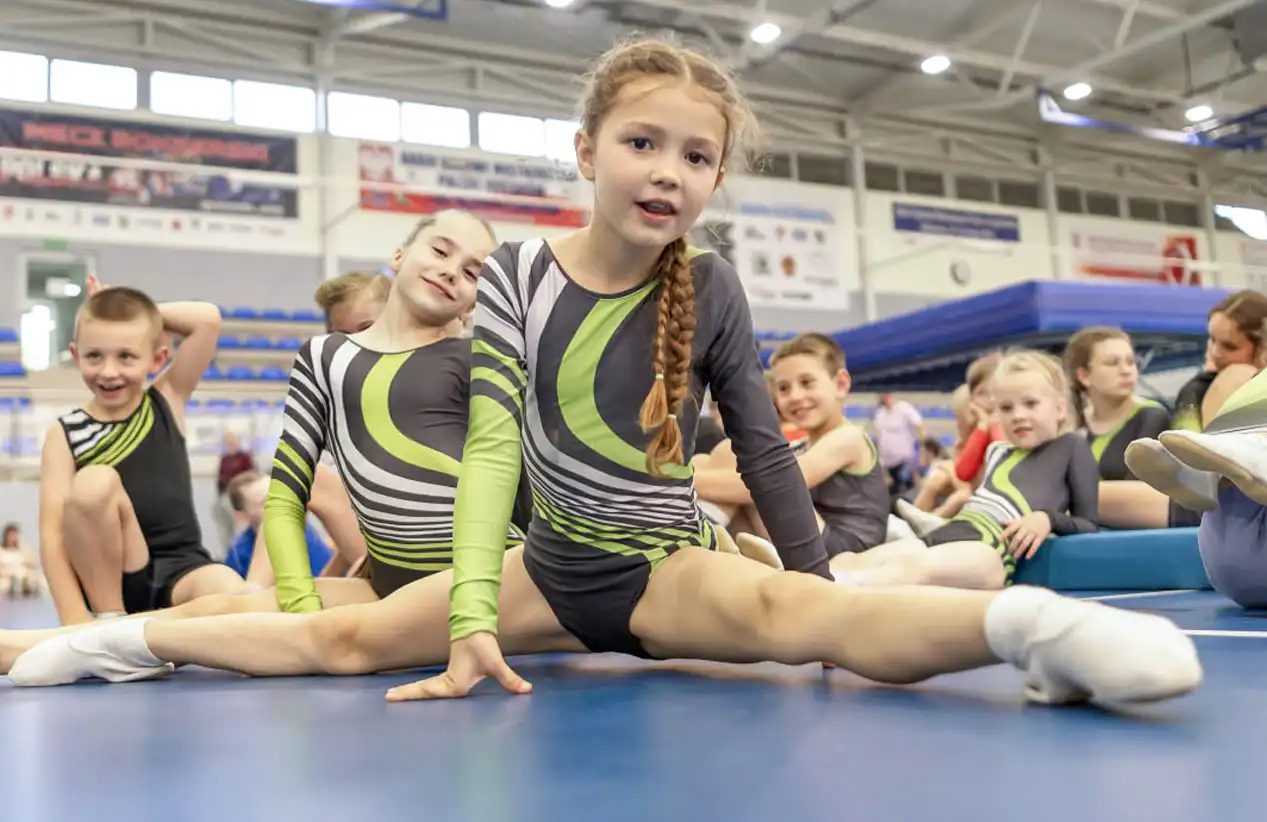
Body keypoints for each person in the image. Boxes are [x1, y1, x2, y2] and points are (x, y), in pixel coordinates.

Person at [8, 40, 1200, 712]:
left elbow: (764, 446)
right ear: (586, 152)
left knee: (807, 620)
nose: (668, 171)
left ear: (714, 180)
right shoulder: (516, 276)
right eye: (643, 142)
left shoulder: (714, 287)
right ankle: (125, 644)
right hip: (538, 573)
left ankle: (1033, 628)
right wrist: (472, 617)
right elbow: (490, 451)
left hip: (652, 570)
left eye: (696, 156)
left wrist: (818, 588)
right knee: (344, 643)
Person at [38, 278, 251, 624]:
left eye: (126, 356)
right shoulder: (63, 435)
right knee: (95, 482)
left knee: (235, 593)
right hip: (116, 583)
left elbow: (207, 319)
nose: (109, 372)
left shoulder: (167, 399)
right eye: (94, 356)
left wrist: (127, 307)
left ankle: (153, 634)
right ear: (76, 356)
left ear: (156, 359)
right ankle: (112, 624)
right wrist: (75, 620)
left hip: (183, 569)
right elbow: (52, 535)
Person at [830, 350, 1100, 590]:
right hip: (952, 532)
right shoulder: (998, 451)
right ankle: (811, 583)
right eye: (1006, 408)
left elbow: (1088, 525)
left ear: (1060, 408)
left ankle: (840, 591)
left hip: (990, 551)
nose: (1018, 415)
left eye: (1030, 404)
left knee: (909, 568)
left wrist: (1048, 519)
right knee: (852, 560)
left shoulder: (1071, 446)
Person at [695, 333, 888, 566]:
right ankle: (709, 532)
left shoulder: (848, 438)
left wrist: (683, 481)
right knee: (706, 460)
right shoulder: (808, 443)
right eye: (784, 388)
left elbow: (773, 484)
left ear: (841, 384)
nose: (795, 396)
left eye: (807, 383)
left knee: (739, 459)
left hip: (841, 549)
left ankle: (698, 536)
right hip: (813, 535)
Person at [1126, 290, 1267, 518]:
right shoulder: (1201, 385)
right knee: (1089, 497)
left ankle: (1211, 472)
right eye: (1211, 340)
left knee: (1235, 374)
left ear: (1262, 349)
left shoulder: (1239, 376)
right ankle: (1204, 472)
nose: (1215, 352)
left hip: (1225, 494)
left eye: (1229, 347)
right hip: (1198, 495)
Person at [222, 470, 332, 585]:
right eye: (265, 502)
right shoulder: (238, 554)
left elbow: (329, 574)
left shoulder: (303, 532)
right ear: (242, 516)